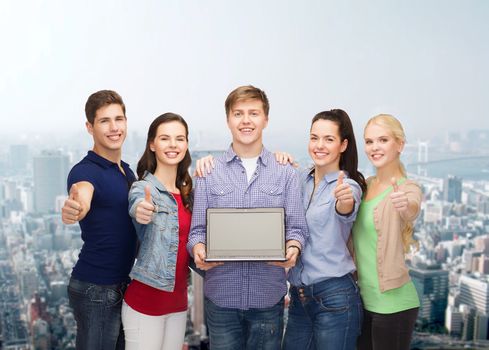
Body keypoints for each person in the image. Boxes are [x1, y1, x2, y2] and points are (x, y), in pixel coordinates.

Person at [187, 85, 309, 350]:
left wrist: (293, 247)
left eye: (253, 113)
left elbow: (297, 228)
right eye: (238, 113)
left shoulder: (284, 172)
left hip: (268, 297)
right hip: (221, 299)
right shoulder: (209, 172)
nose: (246, 120)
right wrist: (198, 249)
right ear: (228, 119)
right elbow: (197, 231)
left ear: (265, 119)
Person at [282, 109, 365, 350]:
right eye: (314, 137)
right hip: (299, 298)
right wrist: (279, 158)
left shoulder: (348, 186)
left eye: (329, 139)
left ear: (343, 145)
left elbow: (346, 208)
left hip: (336, 298)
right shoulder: (299, 180)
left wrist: (344, 200)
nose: (319, 145)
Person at [61, 90, 138, 350]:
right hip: (97, 288)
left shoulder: (126, 171)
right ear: (89, 127)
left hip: (120, 285)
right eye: (105, 121)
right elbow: (82, 195)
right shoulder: (85, 171)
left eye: (119, 119)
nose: (114, 127)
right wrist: (75, 208)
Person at [122, 113, 193, 350]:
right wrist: (142, 210)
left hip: (178, 305)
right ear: (152, 144)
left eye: (179, 138)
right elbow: (138, 204)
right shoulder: (143, 188)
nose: (173, 144)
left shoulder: (188, 195)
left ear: (186, 144)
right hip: (145, 304)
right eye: (165, 138)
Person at [353, 114, 422, 350]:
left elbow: (412, 208)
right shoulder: (365, 185)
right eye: (369, 141)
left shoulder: (407, 188)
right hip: (363, 301)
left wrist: (406, 206)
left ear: (399, 145)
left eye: (383, 140)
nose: (374, 147)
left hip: (395, 305)